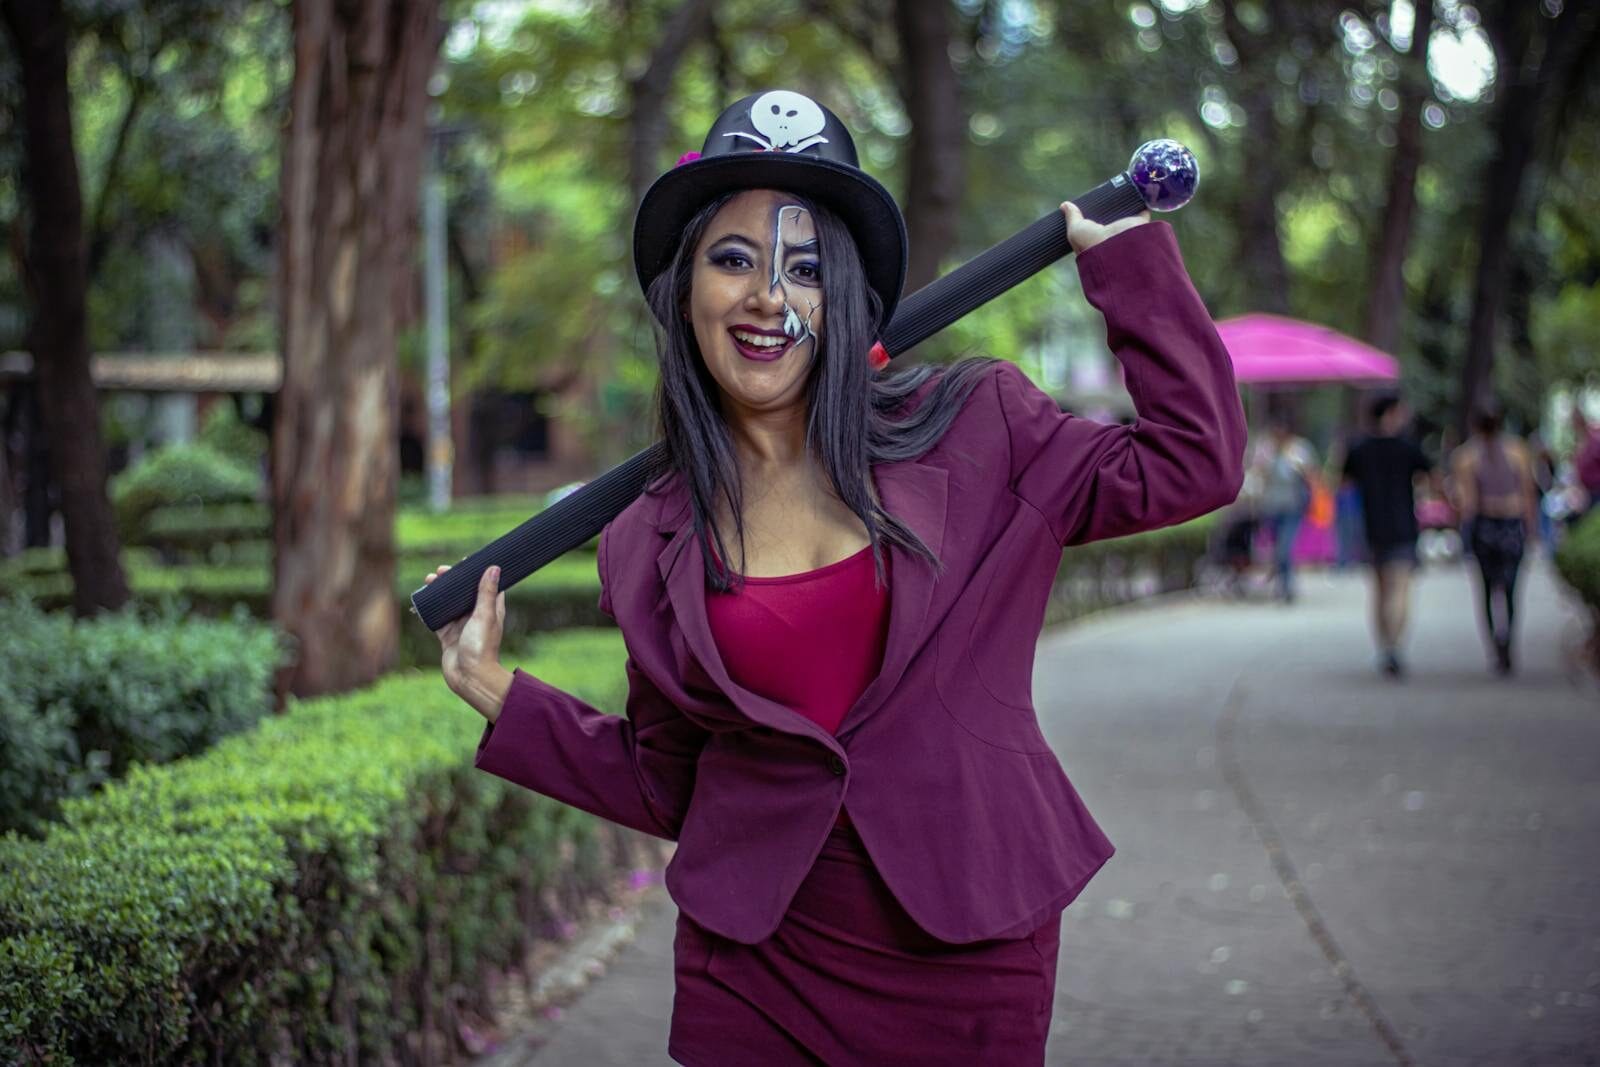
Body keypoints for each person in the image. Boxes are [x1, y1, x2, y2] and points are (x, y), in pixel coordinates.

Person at [426, 90, 1245, 1065]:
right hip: (758, 960)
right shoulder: (646, 534)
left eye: (805, 268)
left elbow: (1195, 459)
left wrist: (1126, 264)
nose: (768, 294)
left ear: (846, 297)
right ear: (682, 288)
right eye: (733, 258)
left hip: (966, 939)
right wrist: (498, 694)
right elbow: (666, 777)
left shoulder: (982, 428)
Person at [1342, 395, 1433, 677]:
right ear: (1391, 414)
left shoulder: (1359, 448)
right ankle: (1394, 647)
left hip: (1371, 527)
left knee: (1380, 590)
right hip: (1403, 525)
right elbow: (1431, 477)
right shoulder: (1408, 448)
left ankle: (1384, 646)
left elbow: (1344, 483)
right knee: (1400, 589)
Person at [1452, 404, 1540, 675]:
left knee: (1497, 589)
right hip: (1494, 523)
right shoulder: (1473, 456)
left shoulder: (1506, 453)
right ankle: (1501, 644)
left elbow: (1527, 494)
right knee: (1498, 589)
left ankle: (1502, 644)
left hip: (1498, 523)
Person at [1249, 415, 1318, 602]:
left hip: (1293, 506)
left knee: (1284, 548)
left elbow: (1310, 474)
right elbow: (1257, 474)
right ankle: (1283, 584)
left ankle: (1285, 587)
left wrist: (1298, 467)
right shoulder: (1265, 449)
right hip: (1271, 506)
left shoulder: (1298, 449)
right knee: (1277, 548)